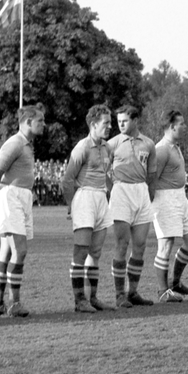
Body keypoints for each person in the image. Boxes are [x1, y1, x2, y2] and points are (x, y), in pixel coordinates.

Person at [0, 105, 46, 316]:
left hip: (21, 197)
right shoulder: (14, 143)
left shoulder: (27, 144)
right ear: (28, 122)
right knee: (20, 251)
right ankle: (14, 303)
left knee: (7, 251)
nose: (44, 124)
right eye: (40, 121)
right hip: (9, 197)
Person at [62, 105, 114, 312]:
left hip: (101, 197)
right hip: (84, 197)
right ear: (93, 124)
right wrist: (71, 205)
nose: (110, 126)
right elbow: (67, 179)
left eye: (110, 122)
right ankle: (79, 300)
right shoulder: (82, 147)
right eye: (106, 123)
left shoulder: (107, 147)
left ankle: (93, 298)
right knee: (81, 251)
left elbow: (105, 174)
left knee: (96, 252)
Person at [147, 109, 188, 302]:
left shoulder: (174, 147)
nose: (185, 126)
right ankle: (163, 291)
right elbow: (152, 178)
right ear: (172, 126)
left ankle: (175, 282)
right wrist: (152, 203)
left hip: (180, 197)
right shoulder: (162, 149)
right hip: (165, 198)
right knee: (166, 244)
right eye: (182, 123)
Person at [107, 104, 156, 307]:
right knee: (122, 244)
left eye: (125, 121)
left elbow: (152, 173)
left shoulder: (148, 144)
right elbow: (102, 169)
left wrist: (150, 194)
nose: (121, 124)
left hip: (141, 191)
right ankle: (120, 295)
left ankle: (133, 292)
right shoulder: (112, 143)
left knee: (140, 245)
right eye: (118, 121)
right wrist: (112, 189)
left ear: (135, 121)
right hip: (121, 191)